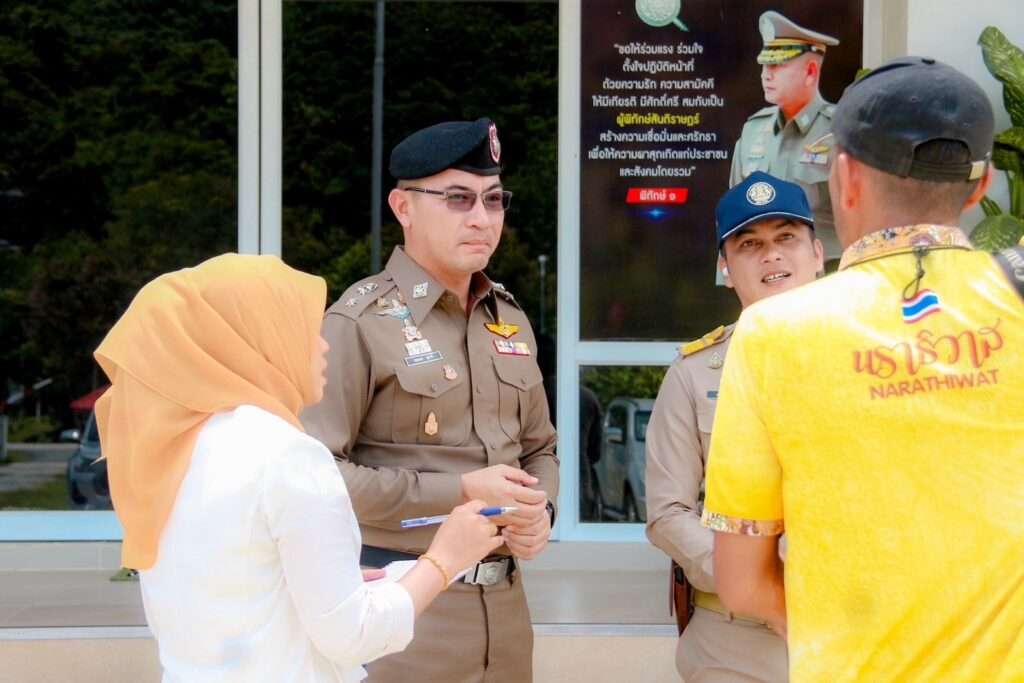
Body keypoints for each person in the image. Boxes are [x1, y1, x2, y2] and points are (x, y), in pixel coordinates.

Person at [702, 57, 1024, 681]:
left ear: (844, 177)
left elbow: (741, 583)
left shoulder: (774, 333)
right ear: (980, 185)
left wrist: (837, 629)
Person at [93, 253, 505, 682]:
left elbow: (226, 586)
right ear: (257, 341)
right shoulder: (287, 455)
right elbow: (354, 635)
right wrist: (445, 557)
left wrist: (330, 581)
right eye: (305, 328)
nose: (324, 344)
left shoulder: (171, 448)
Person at [301, 118, 558, 683]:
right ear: (404, 207)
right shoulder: (357, 322)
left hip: (506, 615)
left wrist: (542, 512)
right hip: (402, 614)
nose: (481, 217)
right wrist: (460, 491)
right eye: (458, 198)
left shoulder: (509, 319)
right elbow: (316, 479)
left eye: (494, 199)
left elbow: (540, 448)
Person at [646, 171, 823, 682]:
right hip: (734, 641)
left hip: (851, 627)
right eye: (750, 244)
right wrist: (758, 584)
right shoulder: (693, 374)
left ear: (817, 254)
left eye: (786, 237)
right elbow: (668, 512)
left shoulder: (869, 360)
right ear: (725, 268)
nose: (772, 255)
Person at [730, 11, 842, 260]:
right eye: (764, 65)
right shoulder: (753, 131)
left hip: (825, 273)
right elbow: (734, 219)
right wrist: (730, 274)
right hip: (763, 272)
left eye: (777, 65)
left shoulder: (841, 131)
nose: (765, 75)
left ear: (810, 71)